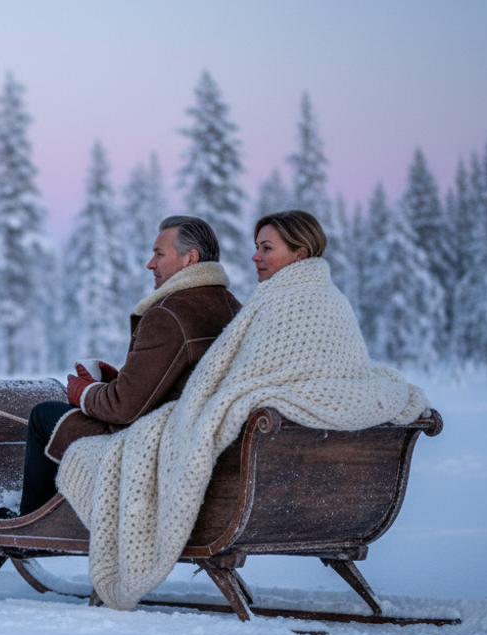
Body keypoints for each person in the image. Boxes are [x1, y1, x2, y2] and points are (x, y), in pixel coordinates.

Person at [55, 208, 428, 609]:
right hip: (314, 485)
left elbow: (229, 388)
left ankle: (34, 520)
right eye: (256, 248)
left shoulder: (271, 305)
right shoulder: (324, 302)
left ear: (300, 254)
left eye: (267, 248)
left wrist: (88, 392)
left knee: (51, 422)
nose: (255, 257)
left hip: (246, 475)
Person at [13, 215, 242, 516]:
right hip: (201, 443)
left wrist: (84, 392)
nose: (151, 264)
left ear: (191, 259)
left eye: (159, 254)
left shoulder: (169, 313)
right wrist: (118, 381)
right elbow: (178, 383)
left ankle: (36, 524)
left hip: (158, 449)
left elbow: (123, 409)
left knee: (44, 415)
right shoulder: (233, 306)